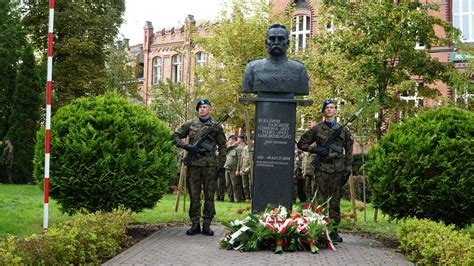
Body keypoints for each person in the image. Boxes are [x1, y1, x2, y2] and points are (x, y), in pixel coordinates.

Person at [297, 99, 354, 243]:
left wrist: (348, 168)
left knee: (335, 202)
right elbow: (302, 143)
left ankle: (333, 231)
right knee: (320, 200)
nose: (329, 110)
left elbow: (349, 150)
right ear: (323, 111)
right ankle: (319, 228)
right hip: (322, 169)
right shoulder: (316, 129)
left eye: (332, 107)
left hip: (337, 169)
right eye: (327, 108)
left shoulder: (343, 129)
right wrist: (315, 149)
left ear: (335, 111)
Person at [172, 99, 226, 236]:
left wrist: (220, 164)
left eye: (204, 107)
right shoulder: (190, 124)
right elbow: (175, 136)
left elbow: (223, 146)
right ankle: (195, 224)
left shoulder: (216, 127)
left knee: (209, 196)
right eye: (200, 107)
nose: (201, 109)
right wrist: (186, 146)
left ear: (210, 109)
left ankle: (207, 224)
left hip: (210, 166)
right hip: (194, 165)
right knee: (194, 195)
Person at [242, 23, 308, 95]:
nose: (276, 42)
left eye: (280, 39)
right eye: (272, 39)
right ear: (266, 43)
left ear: (288, 43)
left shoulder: (299, 69)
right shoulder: (251, 68)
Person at [224, 135, 243, 203]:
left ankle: (237, 199)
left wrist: (238, 170)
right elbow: (223, 150)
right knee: (228, 184)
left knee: (235, 185)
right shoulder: (229, 148)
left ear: (234, 140)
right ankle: (230, 198)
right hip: (227, 168)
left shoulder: (238, 149)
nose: (229, 141)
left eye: (230, 140)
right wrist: (231, 146)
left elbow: (239, 160)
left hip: (234, 169)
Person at [236, 134, 251, 202]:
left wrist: (249, 167)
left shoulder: (253, 147)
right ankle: (247, 197)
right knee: (245, 184)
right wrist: (240, 169)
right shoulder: (245, 148)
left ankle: (252, 197)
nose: (247, 141)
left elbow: (254, 159)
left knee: (251, 184)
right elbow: (241, 159)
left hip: (250, 169)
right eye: (246, 139)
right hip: (243, 168)